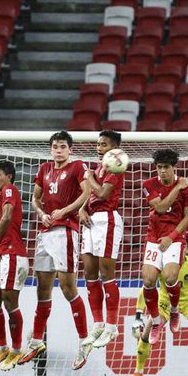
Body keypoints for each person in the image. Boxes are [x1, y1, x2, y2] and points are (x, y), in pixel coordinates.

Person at [18, 130, 92, 370]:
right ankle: (37, 341)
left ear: (70, 149)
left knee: (68, 287)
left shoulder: (78, 166)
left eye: (62, 146)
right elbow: (35, 199)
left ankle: (84, 341)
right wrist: (41, 214)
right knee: (43, 288)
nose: (58, 150)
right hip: (45, 232)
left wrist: (65, 211)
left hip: (66, 232)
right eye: (55, 146)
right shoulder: (44, 169)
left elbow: (87, 192)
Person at [140, 149, 188, 345]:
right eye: (159, 168)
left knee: (170, 276)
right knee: (148, 280)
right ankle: (156, 321)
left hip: (175, 237)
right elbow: (161, 207)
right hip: (153, 236)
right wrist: (177, 188)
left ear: (174, 168)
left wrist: (172, 238)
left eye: (166, 167)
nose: (162, 171)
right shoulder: (148, 184)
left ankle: (174, 310)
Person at [79, 130, 125, 351]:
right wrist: (81, 209)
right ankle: (97, 323)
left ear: (114, 148)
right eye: (98, 144)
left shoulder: (115, 166)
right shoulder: (99, 167)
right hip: (90, 221)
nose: (99, 148)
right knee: (89, 272)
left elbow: (103, 194)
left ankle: (112, 325)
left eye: (103, 144)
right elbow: (91, 195)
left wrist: (88, 178)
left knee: (107, 274)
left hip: (107, 220)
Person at [0, 161, 28, 371]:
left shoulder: (10, 190)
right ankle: (2, 347)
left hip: (13, 253)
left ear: (9, 176)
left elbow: (8, 216)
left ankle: (17, 350)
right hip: (1, 255)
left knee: (10, 302)